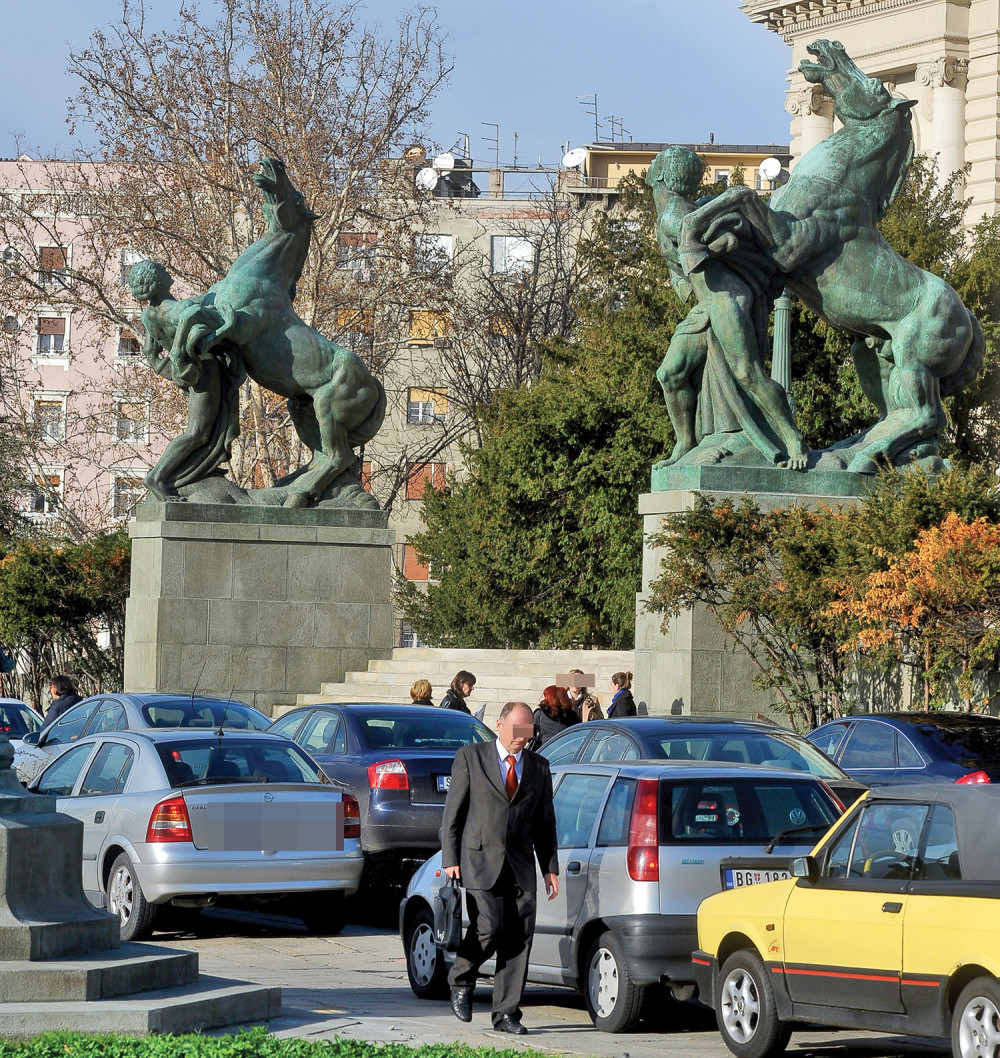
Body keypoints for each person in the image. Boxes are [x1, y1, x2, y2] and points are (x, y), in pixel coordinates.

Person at [645, 146, 808, 472]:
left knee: (748, 372)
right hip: (708, 303)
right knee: (670, 374)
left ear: (661, 175)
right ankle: (685, 441)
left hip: (725, 299)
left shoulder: (674, 212)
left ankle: (792, 437)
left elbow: (693, 231)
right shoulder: (683, 209)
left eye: (653, 168)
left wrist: (710, 237)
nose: (648, 173)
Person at [441, 700, 559, 1035]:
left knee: (519, 937)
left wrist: (550, 866)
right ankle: (461, 978)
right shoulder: (471, 757)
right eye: (515, 730)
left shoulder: (539, 766)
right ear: (499, 724)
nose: (521, 737)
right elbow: (453, 814)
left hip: (520, 864)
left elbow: (545, 822)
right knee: (489, 925)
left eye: (527, 731)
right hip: (479, 859)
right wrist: (450, 858)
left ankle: (506, 1013)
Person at [129, 260, 245, 500]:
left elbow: (151, 353)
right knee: (197, 432)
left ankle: (197, 470)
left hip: (191, 374)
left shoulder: (149, 315)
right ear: (159, 281)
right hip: (206, 369)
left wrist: (175, 374)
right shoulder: (180, 311)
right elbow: (200, 343)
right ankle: (158, 476)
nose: (167, 272)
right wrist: (227, 327)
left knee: (204, 430)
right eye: (163, 271)